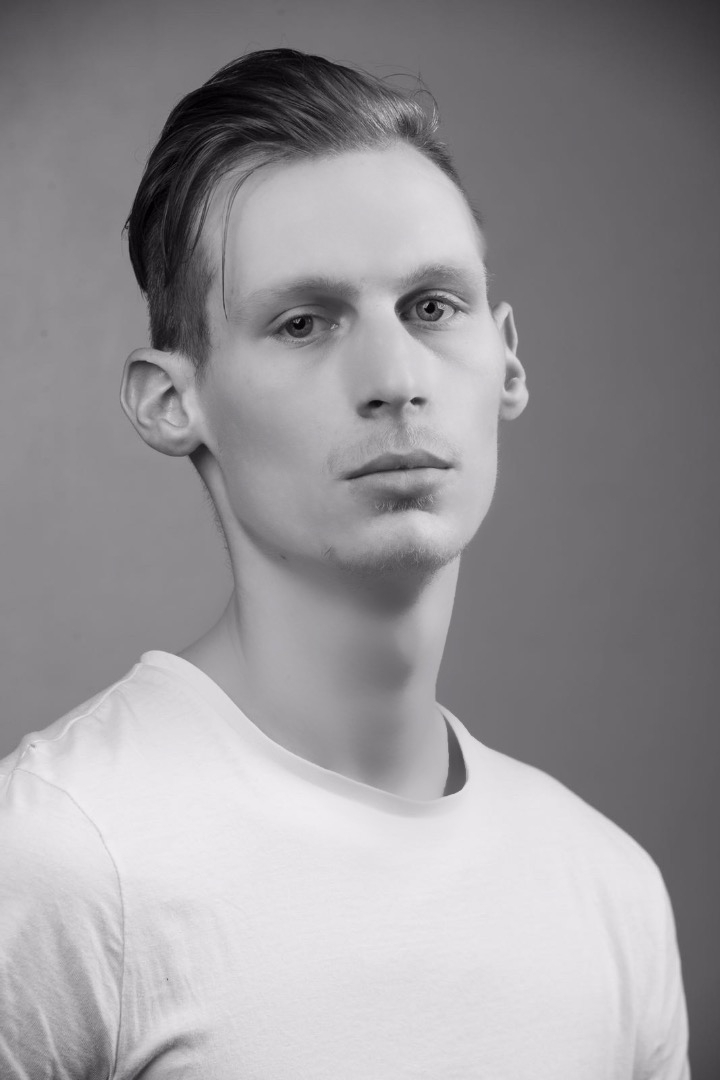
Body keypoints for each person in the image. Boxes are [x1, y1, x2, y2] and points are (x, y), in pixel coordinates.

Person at [0, 48, 690, 1078]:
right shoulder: (58, 859)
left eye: (432, 307)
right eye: (304, 323)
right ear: (171, 401)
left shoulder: (610, 892)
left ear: (507, 361)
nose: (394, 378)